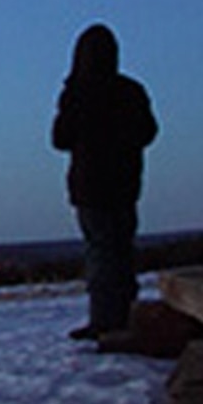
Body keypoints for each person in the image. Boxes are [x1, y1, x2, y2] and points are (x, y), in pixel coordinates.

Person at [49, 22, 157, 340]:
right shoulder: (130, 91)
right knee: (120, 251)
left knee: (101, 252)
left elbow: (59, 138)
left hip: (92, 189)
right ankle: (123, 315)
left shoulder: (78, 92)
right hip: (123, 185)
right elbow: (148, 132)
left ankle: (106, 320)